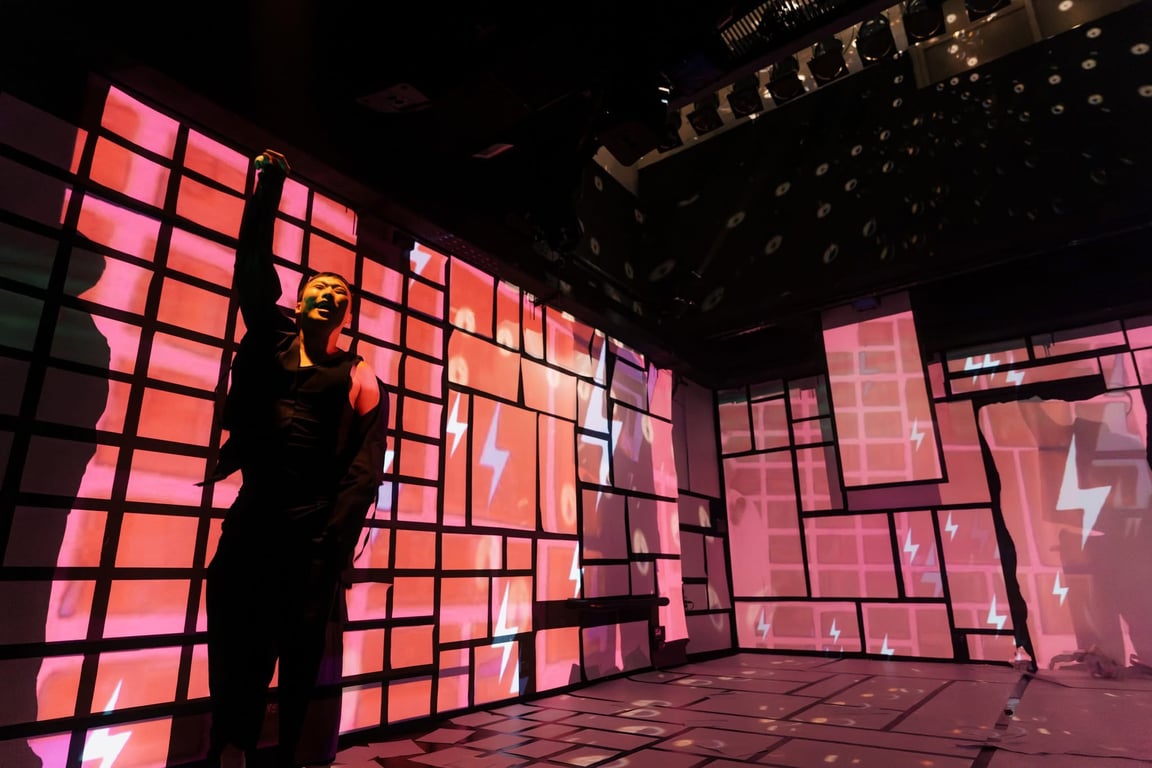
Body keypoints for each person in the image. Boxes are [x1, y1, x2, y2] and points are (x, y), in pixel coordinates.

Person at [203, 150, 389, 768]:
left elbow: (364, 471)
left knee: (300, 653)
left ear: (346, 315)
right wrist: (268, 190)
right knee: (235, 638)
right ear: (300, 300)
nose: (328, 294)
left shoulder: (359, 375)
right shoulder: (270, 338)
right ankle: (230, 744)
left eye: (339, 293)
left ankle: (288, 757)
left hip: (310, 535)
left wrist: (332, 547)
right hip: (252, 519)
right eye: (318, 287)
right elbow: (253, 266)